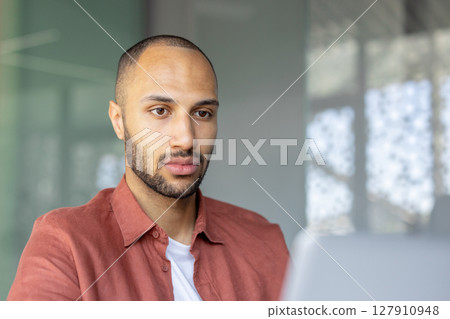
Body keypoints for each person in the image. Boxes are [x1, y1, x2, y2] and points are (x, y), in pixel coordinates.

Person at [8, 35, 289, 301]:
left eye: (202, 113)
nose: (186, 139)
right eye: (160, 111)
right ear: (118, 121)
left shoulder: (264, 239)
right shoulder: (65, 244)